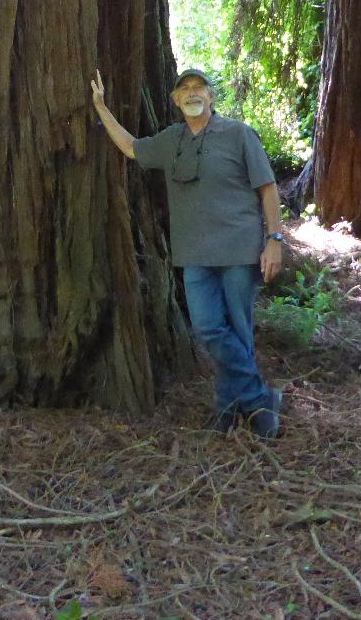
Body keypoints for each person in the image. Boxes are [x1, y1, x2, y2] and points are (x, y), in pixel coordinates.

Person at [91, 67, 285, 437]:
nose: (193, 93)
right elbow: (131, 146)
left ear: (211, 97)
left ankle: (230, 411)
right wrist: (101, 108)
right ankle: (261, 397)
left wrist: (274, 241)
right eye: (185, 89)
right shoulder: (171, 139)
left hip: (239, 250)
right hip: (194, 254)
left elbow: (268, 188)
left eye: (200, 87)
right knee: (209, 328)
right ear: (176, 100)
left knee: (239, 331)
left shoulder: (238, 134)